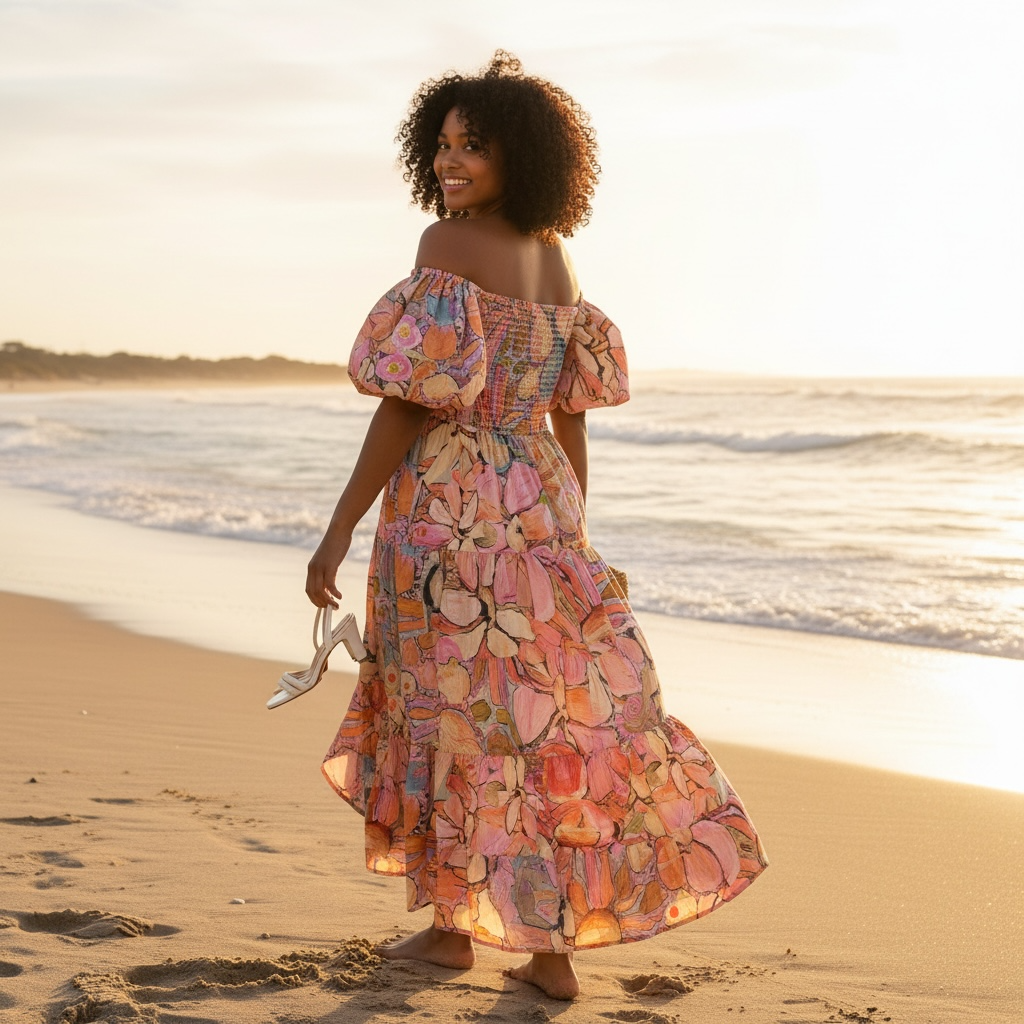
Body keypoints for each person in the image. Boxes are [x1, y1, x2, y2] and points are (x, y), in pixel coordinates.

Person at [306, 51, 768, 1001]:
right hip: (539, 504)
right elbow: (572, 417)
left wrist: (339, 526)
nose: (450, 162)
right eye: (442, 144)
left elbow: (408, 404)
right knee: (543, 720)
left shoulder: (445, 246)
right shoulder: (558, 259)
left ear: (519, 153)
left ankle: (453, 931)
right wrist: (571, 532)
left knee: (450, 714)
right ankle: (550, 949)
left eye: (472, 146)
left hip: (445, 514)